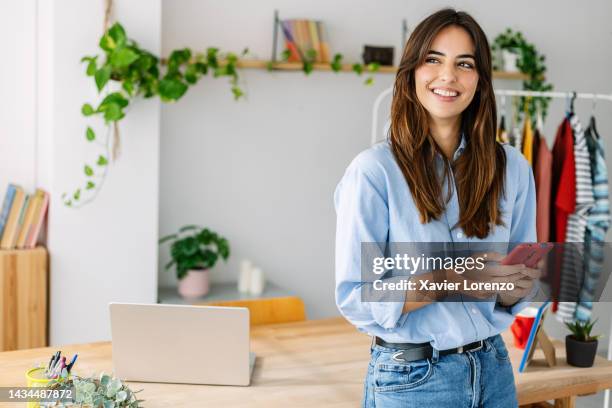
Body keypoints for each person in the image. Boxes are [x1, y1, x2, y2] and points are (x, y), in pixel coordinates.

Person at [334, 8, 542, 408]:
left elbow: (522, 279)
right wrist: (449, 278)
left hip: (493, 367)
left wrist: (516, 282)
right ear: (411, 71)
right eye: (433, 59)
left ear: (480, 80)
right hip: (412, 379)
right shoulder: (374, 172)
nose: (448, 76)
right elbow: (356, 297)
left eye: (464, 64)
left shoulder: (513, 167)